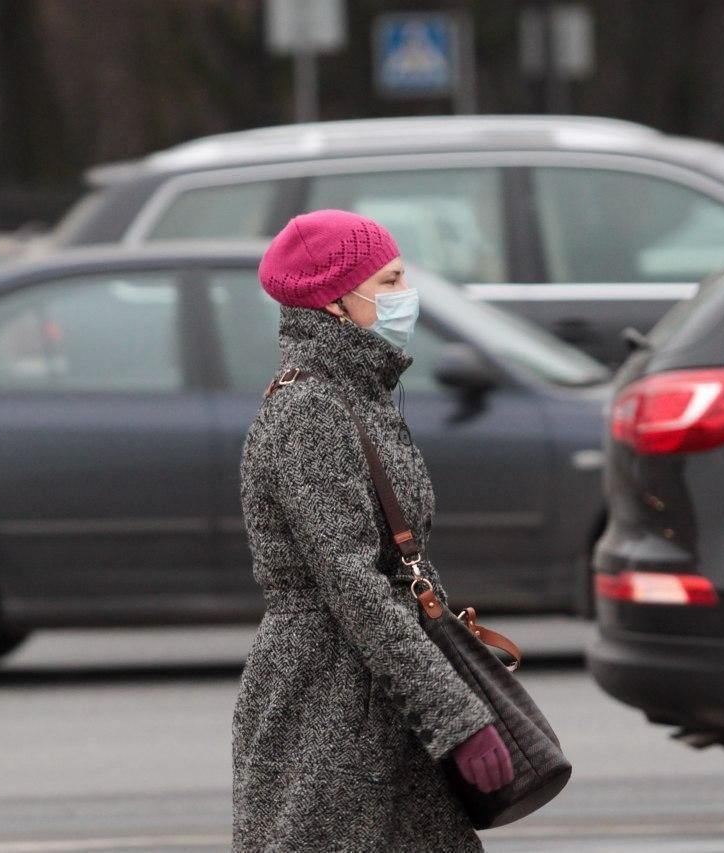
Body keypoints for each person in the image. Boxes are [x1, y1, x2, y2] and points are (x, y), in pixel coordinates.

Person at [232, 210, 513, 851]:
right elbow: (353, 583)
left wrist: (451, 672)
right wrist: (453, 715)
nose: (403, 297)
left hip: (377, 690)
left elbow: (399, 566)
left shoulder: (358, 395)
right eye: (388, 282)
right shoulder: (311, 411)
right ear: (334, 301)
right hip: (325, 700)